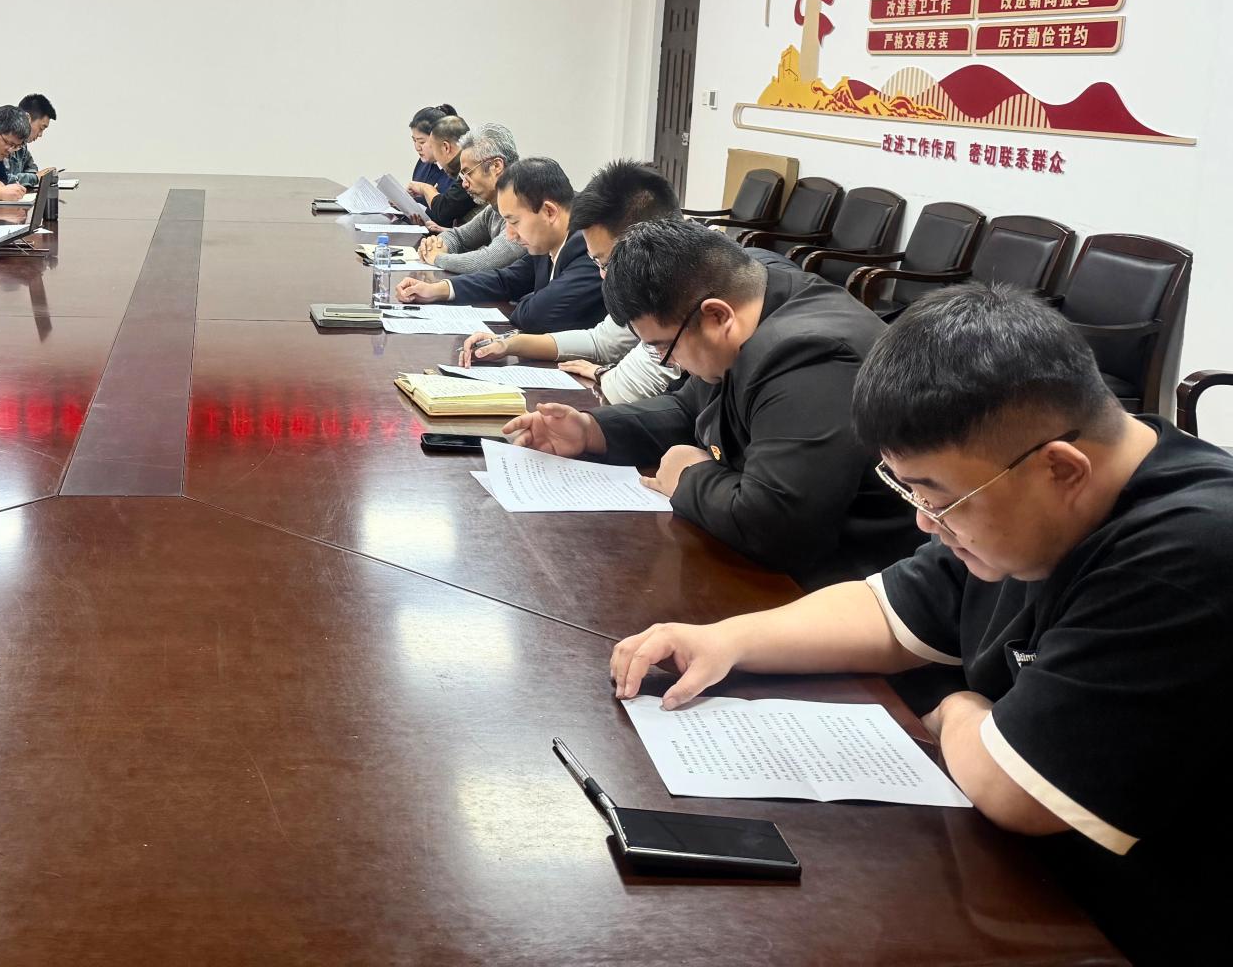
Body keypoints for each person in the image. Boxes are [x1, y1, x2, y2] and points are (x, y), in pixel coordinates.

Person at [608, 285, 1233, 965]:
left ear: (1061, 468)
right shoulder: (1032, 499)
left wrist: (957, 708)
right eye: (911, 491)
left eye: (940, 498)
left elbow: (1016, 790)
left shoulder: (1191, 551)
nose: (924, 522)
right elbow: (889, 606)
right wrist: (727, 639)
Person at [507, 216, 924, 586]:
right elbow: (689, 407)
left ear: (717, 316)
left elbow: (778, 528)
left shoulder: (813, 357)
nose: (669, 362)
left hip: (850, 581)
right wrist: (592, 430)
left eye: (664, 347)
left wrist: (689, 477)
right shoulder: (748, 299)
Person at [459, 159, 682, 406]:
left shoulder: (684, 297)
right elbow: (602, 341)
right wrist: (509, 344)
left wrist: (605, 375)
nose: (603, 276)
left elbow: (631, 387)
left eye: (606, 263)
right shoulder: (647, 282)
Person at [396, 157, 605, 333]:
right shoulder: (548, 239)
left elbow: (536, 316)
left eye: (514, 222)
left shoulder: (589, 248)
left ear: (549, 212)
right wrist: (437, 290)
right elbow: (506, 280)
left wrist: (529, 297)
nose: (510, 235)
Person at [415, 123, 525, 273]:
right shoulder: (493, 210)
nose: (464, 184)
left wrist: (436, 257)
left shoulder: (525, 206)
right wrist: (434, 245)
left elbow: (485, 261)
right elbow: (459, 237)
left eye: (469, 173)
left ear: (496, 166)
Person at [421, 115, 476, 229]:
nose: (466, 184)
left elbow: (444, 211)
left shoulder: (470, 169)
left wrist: (425, 188)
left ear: (446, 147)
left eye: (433, 149)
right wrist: (446, 231)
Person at [1, 93, 57, 188]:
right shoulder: (2, 142)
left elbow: (32, 168)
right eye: (41, 128)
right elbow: (4, 179)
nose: (40, 135)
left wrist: (33, 177)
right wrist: (35, 178)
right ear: (27, 118)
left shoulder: (22, 145)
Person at [406, 103, 456, 203]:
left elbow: (447, 208)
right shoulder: (423, 163)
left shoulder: (457, 170)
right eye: (414, 140)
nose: (417, 148)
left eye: (421, 142)